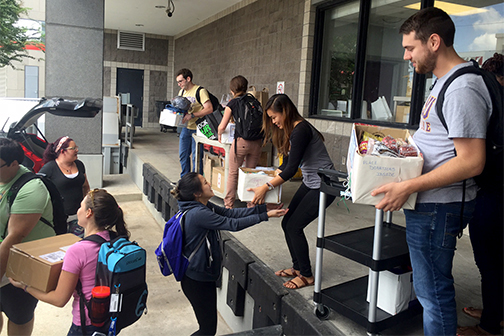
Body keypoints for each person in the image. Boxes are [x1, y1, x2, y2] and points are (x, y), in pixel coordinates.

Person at [370, 7, 491, 336]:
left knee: (433, 292)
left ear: (434, 42)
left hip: (438, 207)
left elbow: (471, 161)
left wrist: (408, 185)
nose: (406, 56)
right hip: (430, 203)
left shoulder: (462, 89)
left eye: (410, 48)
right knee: (429, 289)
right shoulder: (443, 83)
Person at [172, 172, 287, 335]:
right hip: (196, 281)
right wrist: (264, 216)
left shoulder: (203, 206)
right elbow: (232, 224)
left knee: (208, 329)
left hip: (200, 277)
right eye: (205, 183)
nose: (209, 184)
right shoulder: (199, 214)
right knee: (207, 331)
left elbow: (229, 213)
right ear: (197, 193)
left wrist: (262, 209)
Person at [9, 189, 130, 336]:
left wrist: (25, 287)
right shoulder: (114, 240)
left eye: (81, 206)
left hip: (86, 325)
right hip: (109, 318)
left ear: (89, 213)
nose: (78, 210)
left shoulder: (78, 250)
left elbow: (59, 299)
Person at [249, 94, 336, 290]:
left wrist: (267, 187)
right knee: (288, 222)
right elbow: (286, 163)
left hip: (325, 185)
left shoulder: (301, 129)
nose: (273, 122)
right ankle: (298, 268)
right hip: (311, 182)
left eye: (274, 117)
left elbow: (290, 170)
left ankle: (306, 275)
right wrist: (266, 181)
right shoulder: (293, 130)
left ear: (285, 112)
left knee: (294, 226)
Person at [458, 53, 503, 336]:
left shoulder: (495, 105)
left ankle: (488, 327)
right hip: (494, 190)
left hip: (493, 193)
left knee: (490, 261)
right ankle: (496, 313)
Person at [0, 138, 55, 336]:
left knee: (18, 316)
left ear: (14, 164)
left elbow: (14, 238)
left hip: (18, 268)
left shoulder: (31, 189)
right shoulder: (3, 175)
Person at [217, 75, 263, 208]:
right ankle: (251, 204)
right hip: (257, 142)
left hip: (241, 143)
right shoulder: (254, 101)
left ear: (232, 90)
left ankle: (229, 205)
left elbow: (222, 126)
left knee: (233, 173)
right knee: (251, 172)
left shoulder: (232, 103)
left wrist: (219, 133)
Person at [39, 136, 90, 237]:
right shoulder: (49, 168)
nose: (77, 150)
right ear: (62, 151)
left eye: (76, 147)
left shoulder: (79, 165)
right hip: (58, 218)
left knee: (78, 243)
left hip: (78, 215)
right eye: (73, 148)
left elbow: (85, 186)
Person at [175, 68, 214, 178]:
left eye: (180, 81)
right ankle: (185, 180)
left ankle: (196, 181)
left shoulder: (200, 91)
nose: (179, 84)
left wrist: (192, 115)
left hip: (199, 128)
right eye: (177, 82)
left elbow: (209, 108)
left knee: (196, 157)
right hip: (186, 127)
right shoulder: (182, 92)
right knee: (183, 155)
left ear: (188, 79)